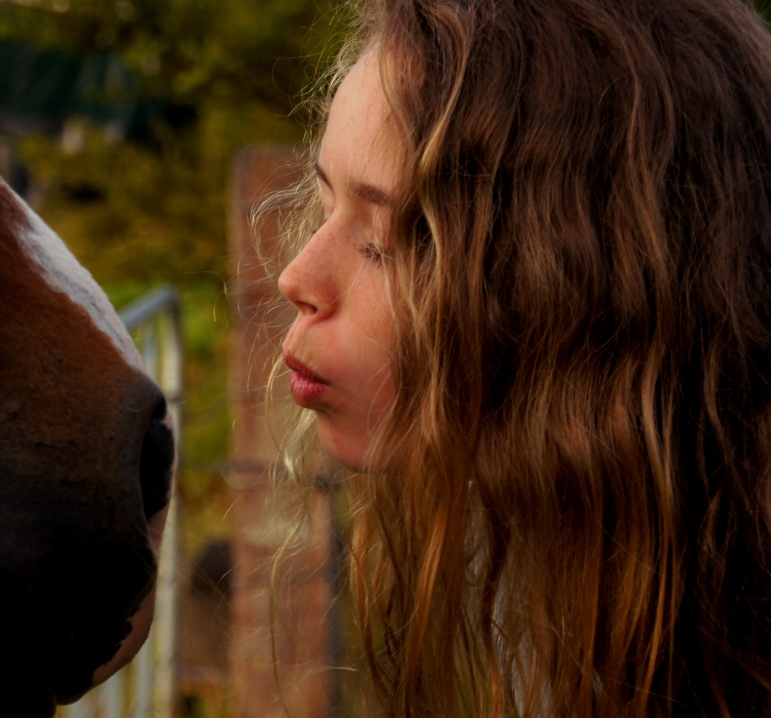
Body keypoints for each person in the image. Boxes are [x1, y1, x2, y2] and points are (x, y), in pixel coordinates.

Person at [275, 0, 771, 716]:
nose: (297, 279)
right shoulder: (566, 589)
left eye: (391, 238)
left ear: (582, 293)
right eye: (325, 209)